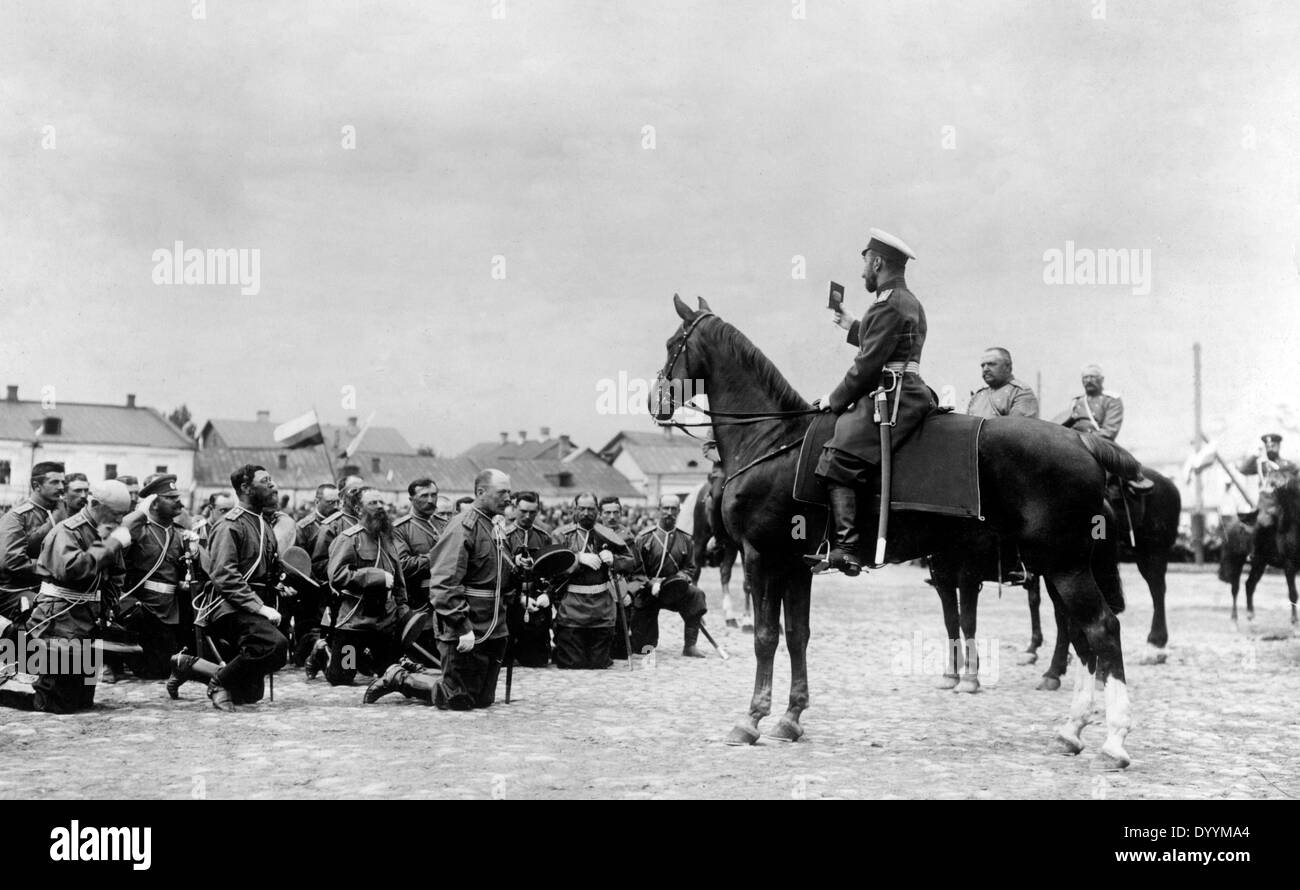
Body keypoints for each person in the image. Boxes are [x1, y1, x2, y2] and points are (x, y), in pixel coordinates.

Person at [816, 229, 935, 575]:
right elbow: (884, 343)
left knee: (839, 455)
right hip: (903, 388)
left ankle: (847, 547)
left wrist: (833, 399)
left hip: (895, 395)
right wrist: (853, 326)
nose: (863, 271)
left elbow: (868, 364)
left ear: (878, 262)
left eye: (866, 263)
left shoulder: (888, 303)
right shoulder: (901, 300)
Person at [367, 469, 516, 709]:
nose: (509, 498)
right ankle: (401, 677)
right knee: (458, 700)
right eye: (502, 492)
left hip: (493, 623)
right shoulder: (464, 526)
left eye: (509, 491)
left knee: (483, 699)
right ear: (480, 492)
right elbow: (445, 582)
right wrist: (460, 624)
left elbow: (497, 572)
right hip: (468, 621)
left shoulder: (493, 526)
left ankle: (434, 684)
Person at [4, 481, 150, 713]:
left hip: (88, 619)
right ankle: (9, 691)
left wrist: (108, 606)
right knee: (59, 703)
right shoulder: (67, 530)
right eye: (115, 514)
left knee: (83, 700)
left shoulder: (105, 530)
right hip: (60, 619)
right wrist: (112, 542)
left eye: (123, 515)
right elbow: (73, 569)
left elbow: (117, 572)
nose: (120, 521)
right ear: (94, 504)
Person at [167, 464, 288, 711]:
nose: (273, 485)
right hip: (228, 607)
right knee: (275, 646)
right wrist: (260, 608)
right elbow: (225, 575)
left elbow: (268, 569)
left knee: (248, 695)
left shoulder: (263, 525)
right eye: (266, 481)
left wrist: (280, 582)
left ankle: (188, 665)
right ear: (245, 487)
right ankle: (217, 681)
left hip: (253, 608)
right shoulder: (230, 525)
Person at [108, 473, 188, 681]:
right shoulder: (139, 530)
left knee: (163, 670)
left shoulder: (179, 534)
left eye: (177, 495)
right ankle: (112, 659)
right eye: (170, 497)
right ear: (153, 504)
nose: (178, 501)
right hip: (140, 611)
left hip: (169, 611)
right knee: (154, 670)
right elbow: (112, 545)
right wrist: (140, 513)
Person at [324, 487, 407, 686]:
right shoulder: (349, 539)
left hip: (384, 623)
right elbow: (336, 575)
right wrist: (376, 577)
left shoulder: (387, 538)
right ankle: (322, 652)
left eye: (381, 502)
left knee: (389, 672)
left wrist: (403, 607)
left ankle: (367, 660)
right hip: (355, 624)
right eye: (372, 503)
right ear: (359, 509)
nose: (380, 507)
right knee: (342, 677)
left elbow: (398, 578)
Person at [550, 492, 635, 669]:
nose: (586, 513)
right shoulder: (561, 535)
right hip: (572, 608)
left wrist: (614, 559)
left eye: (590, 509)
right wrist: (576, 558)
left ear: (597, 510)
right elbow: (553, 569)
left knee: (599, 663)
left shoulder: (607, 534)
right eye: (582, 509)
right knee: (573, 663)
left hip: (601, 609)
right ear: (574, 510)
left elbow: (630, 561)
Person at [631, 494, 709, 657]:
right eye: (665, 508)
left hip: (674, 590)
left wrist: (673, 582)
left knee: (696, 595)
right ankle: (642, 639)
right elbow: (636, 571)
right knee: (643, 648)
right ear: (659, 510)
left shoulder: (686, 539)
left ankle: (690, 646)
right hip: (648, 591)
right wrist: (651, 583)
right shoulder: (644, 538)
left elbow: (689, 568)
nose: (669, 512)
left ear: (679, 511)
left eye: (673, 509)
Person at [1057, 364, 1152, 491]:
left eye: (1093, 377)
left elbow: (1110, 430)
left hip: (1101, 444)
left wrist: (1082, 441)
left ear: (1102, 380)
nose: (1088, 380)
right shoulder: (1077, 401)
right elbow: (1064, 424)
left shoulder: (1111, 400)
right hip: (1075, 441)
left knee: (1116, 475)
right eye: (1085, 378)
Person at [505, 491, 555, 667]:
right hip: (510, 603)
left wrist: (547, 595)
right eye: (523, 511)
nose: (528, 516)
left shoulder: (544, 536)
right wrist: (517, 598)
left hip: (536, 602)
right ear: (514, 508)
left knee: (537, 662)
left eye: (532, 512)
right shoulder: (504, 535)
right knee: (505, 661)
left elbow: (554, 572)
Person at [393, 478, 443, 609]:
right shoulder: (400, 529)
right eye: (424, 496)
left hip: (447, 599)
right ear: (411, 499)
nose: (431, 500)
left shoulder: (444, 524)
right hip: (419, 602)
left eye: (434, 495)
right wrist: (437, 557)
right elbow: (402, 565)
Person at [966, 347, 1039, 418]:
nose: (985, 369)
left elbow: (1017, 427)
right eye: (983, 366)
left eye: (991, 364)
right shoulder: (977, 396)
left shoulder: (1020, 393)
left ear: (1007, 367)